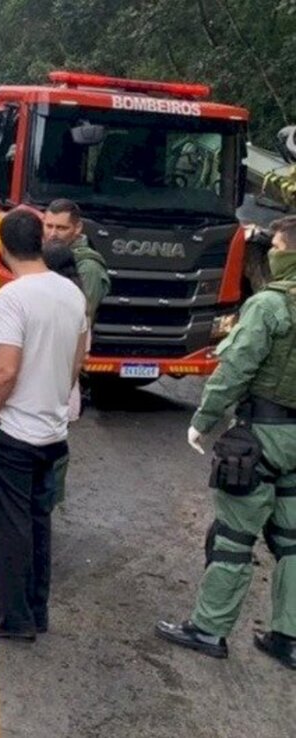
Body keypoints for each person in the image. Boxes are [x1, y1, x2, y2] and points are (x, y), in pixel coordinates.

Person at [156, 216, 296, 669]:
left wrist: (205, 418)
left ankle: (209, 629)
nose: (269, 250)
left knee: (234, 538)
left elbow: (235, 367)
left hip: (262, 435)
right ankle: (288, 637)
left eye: (275, 243)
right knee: (293, 542)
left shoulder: (271, 306)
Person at [0, 208, 88, 640]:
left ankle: (11, 618)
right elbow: (77, 360)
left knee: (7, 525)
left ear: (3, 245)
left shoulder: (14, 296)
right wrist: (54, 401)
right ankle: (36, 611)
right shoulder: (71, 294)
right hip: (53, 430)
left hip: (15, 432)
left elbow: (4, 372)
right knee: (37, 523)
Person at [41, 199, 109, 326]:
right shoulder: (40, 255)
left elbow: (83, 316)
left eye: (61, 228)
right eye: (49, 226)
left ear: (77, 228)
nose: (53, 234)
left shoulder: (89, 266)